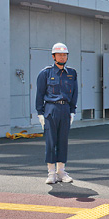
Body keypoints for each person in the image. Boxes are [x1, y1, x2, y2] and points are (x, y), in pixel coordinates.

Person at [35, 43, 78, 184]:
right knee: (51, 141)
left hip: (65, 109)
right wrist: (40, 113)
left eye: (65, 54)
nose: (62, 56)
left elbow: (74, 93)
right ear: (53, 56)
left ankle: (61, 172)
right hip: (50, 109)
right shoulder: (45, 73)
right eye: (59, 54)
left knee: (63, 141)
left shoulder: (72, 73)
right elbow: (40, 94)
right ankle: (51, 173)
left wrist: (72, 111)